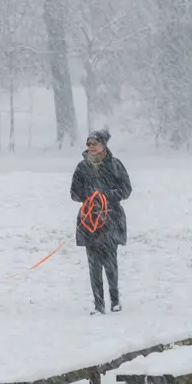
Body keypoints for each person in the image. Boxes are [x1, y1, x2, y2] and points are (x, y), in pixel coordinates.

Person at [70, 129, 132, 314]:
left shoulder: (115, 165)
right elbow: (74, 193)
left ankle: (114, 300)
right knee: (93, 264)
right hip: (89, 222)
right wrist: (89, 198)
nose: (91, 147)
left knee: (110, 262)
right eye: (88, 144)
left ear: (103, 145)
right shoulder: (81, 168)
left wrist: (106, 196)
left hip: (111, 219)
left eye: (94, 143)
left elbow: (126, 190)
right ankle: (98, 304)